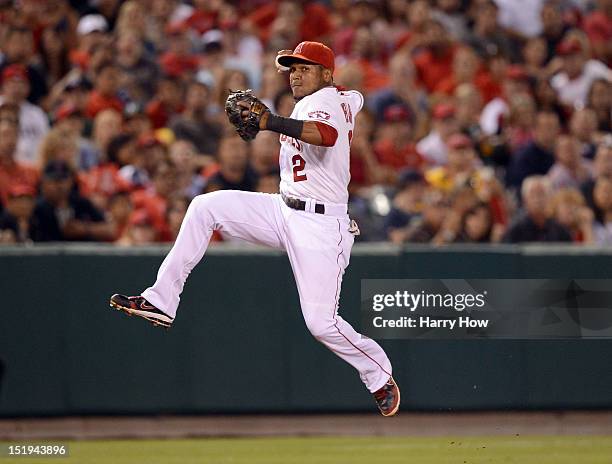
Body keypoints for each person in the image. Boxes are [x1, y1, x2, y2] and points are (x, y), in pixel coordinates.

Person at [109, 41, 399, 417]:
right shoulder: (337, 97)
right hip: (283, 209)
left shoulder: (325, 100)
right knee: (205, 206)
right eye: (292, 68)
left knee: (321, 323)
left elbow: (325, 136)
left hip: (321, 224)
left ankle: (377, 374)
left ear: (327, 75)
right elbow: (354, 100)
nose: (295, 74)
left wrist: (269, 121)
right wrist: (342, 99)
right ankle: (161, 301)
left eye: (305, 68)